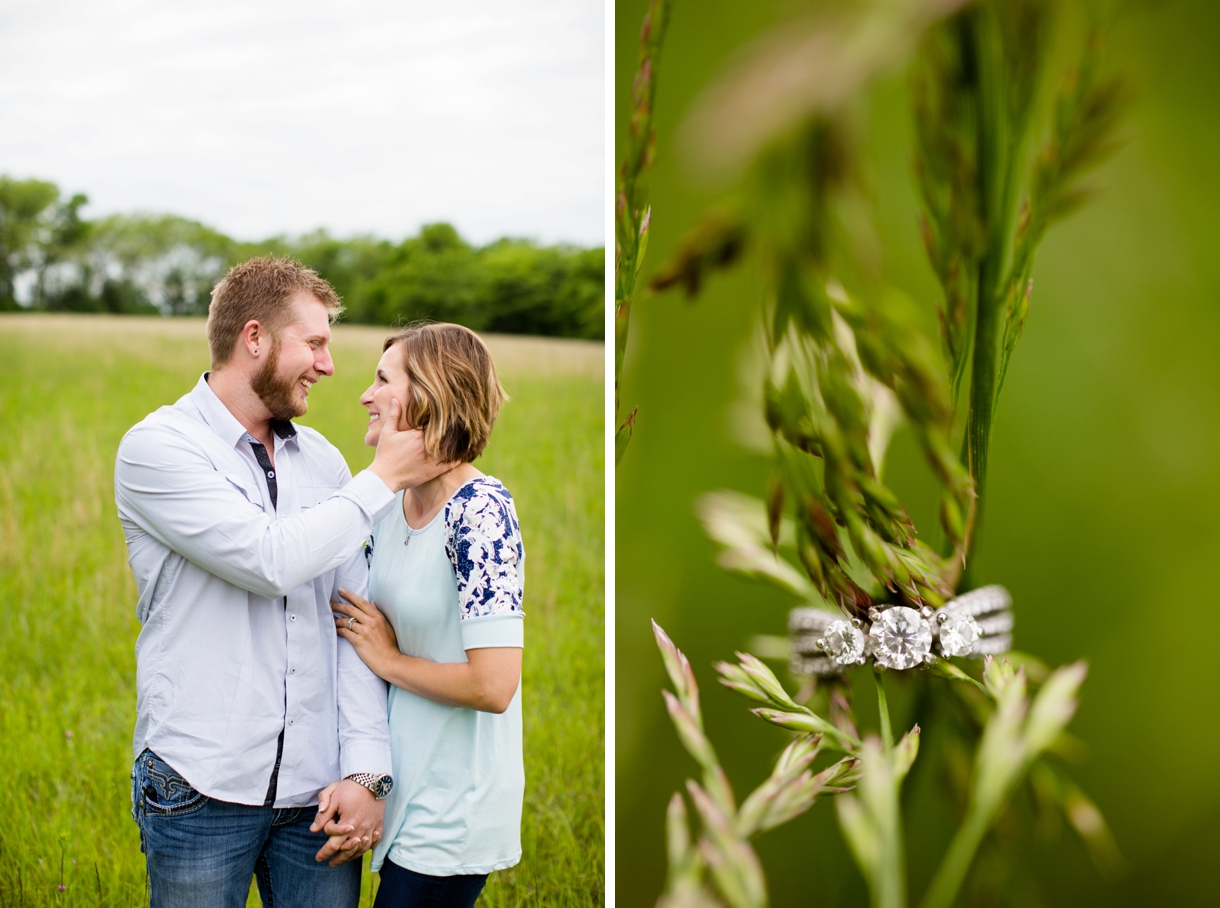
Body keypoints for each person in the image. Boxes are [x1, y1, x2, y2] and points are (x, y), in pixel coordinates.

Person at [114, 258, 445, 907]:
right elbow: (268, 561)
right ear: (255, 338)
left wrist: (367, 771)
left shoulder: (324, 461)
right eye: (315, 342)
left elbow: (351, 619)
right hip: (198, 785)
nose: (327, 365)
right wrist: (379, 481)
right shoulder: (159, 448)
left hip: (317, 798)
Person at [328, 323, 524, 908]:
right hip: (401, 786)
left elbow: (494, 685)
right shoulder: (385, 506)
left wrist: (389, 659)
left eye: (383, 380)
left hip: (454, 801)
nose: (365, 395)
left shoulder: (480, 513)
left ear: (429, 396)